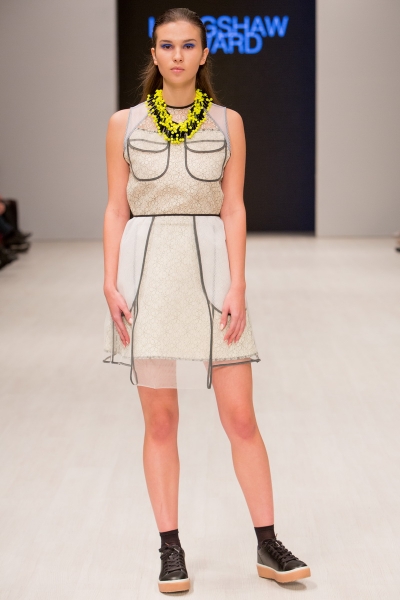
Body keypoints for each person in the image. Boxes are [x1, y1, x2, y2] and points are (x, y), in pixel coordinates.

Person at [103, 8, 311, 593]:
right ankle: (170, 549)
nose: (177, 55)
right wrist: (109, 281)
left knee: (240, 416)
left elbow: (234, 206)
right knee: (161, 419)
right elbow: (116, 208)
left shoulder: (227, 122)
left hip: (213, 270)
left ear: (203, 54)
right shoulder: (123, 124)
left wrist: (238, 283)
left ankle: (268, 543)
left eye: (188, 45)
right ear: (153, 54)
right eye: (167, 45)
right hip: (147, 272)